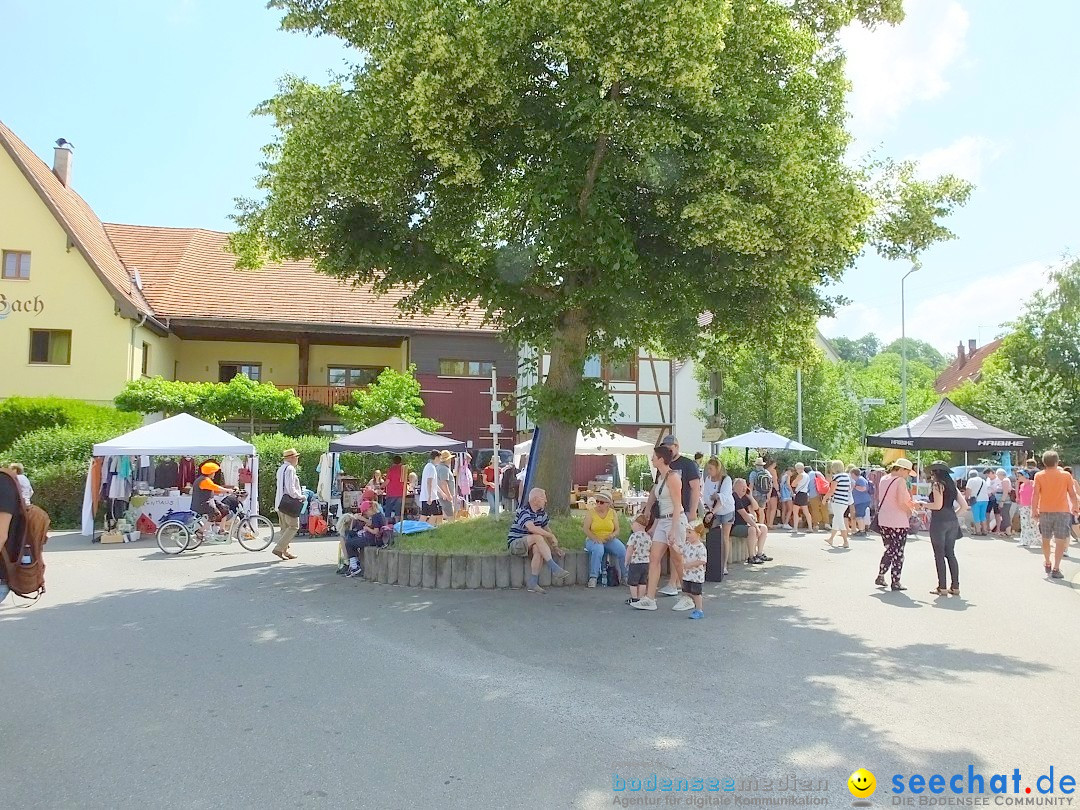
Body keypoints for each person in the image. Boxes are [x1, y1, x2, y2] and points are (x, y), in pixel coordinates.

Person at [633, 445, 684, 611]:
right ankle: (650, 598)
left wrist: (673, 529)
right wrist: (647, 512)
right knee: (654, 558)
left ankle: (689, 595)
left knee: (677, 559)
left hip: (674, 520)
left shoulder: (673, 477)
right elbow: (654, 494)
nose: (652, 459)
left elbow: (677, 505)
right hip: (663, 521)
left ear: (661, 459)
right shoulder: (661, 477)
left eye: (654, 456)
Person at [654, 435, 700, 600]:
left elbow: (695, 488)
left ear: (676, 446)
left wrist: (693, 510)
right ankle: (673, 585)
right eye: (665, 447)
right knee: (674, 551)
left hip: (683, 510)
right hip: (666, 513)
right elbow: (656, 490)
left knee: (678, 551)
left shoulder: (688, 464)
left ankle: (678, 586)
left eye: (669, 447)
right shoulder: (664, 465)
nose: (667, 450)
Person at [506, 488, 571, 593]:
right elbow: (531, 528)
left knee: (538, 549)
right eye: (543, 498)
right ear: (535, 500)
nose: (546, 501)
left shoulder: (542, 514)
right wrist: (550, 535)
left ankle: (533, 582)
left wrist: (555, 547)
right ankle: (554, 568)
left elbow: (546, 529)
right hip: (516, 543)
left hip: (531, 544)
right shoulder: (523, 511)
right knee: (538, 537)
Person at [1031, 450, 1079, 579]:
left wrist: (1034, 510)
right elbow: (1072, 494)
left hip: (1045, 511)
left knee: (1045, 539)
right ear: (1057, 462)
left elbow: (1035, 494)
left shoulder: (1039, 476)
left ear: (1043, 463)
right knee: (1060, 540)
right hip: (1063, 512)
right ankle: (1056, 568)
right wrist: (1075, 507)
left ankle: (1047, 562)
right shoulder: (1066, 475)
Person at [875, 459, 916, 591]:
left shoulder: (884, 479)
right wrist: (910, 511)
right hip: (898, 520)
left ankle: (881, 575)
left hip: (884, 519)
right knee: (898, 552)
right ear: (902, 469)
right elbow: (901, 502)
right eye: (908, 472)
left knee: (889, 549)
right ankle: (895, 581)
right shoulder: (900, 481)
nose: (908, 475)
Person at [927, 461, 967, 596]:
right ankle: (955, 586)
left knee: (939, 554)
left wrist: (923, 505)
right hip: (952, 521)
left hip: (939, 521)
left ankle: (942, 586)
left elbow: (937, 505)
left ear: (935, 473)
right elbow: (964, 506)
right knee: (950, 553)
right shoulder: (952, 486)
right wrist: (953, 515)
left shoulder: (938, 485)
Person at [583, 492, 626, 588]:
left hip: (608, 539)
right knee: (598, 549)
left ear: (608, 504)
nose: (598, 504)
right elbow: (586, 529)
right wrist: (594, 538)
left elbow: (617, 529)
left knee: (622, 550)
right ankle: (593, 577)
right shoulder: (591, 513)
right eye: (597, 501)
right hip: (593, 539)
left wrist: (612, 535)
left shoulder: (612, 513)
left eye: (601, 502)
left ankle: (625, 576)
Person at [702, 457, 734, 577]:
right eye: (708, 469)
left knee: (725, 536)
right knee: (711, 535)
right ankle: (711, 563)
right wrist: (711, 508)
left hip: (726, 510)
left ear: (717, 469)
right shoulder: (708, 479)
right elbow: (707, 496)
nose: (709, 471)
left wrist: (713, 511)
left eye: (711, 469)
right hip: (713, 510)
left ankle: (724, 565)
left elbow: (723, 498)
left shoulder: (726, 480)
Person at [342, 500, 387, 577]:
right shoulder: (379, 515)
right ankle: (355, 561)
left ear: (369, 509)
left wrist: (367, 528)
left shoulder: (376, 517)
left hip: (371, 540)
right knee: (350, 535)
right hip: (371, 538)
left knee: (349, 543)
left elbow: (376, 532)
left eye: (366, 513)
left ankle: (354, 567)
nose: (367, 515)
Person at [272, 449, 303, 560]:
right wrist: (300, 496)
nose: (297, 459)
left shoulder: (281, 469)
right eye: (296, 457)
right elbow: (291, 489)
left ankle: (285, 551)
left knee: (284, 528)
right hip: (288, 503)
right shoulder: (290, 469)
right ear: (291, 458)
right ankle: (279, 548)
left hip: (280, 502)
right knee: (294, 526)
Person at [732, 478, 770, 564]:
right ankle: (751, 556)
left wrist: (750, 496)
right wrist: (756, 527)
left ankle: (759, 553)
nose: (744, 488)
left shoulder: (745, 498)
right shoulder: (734, 497)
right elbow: (744, 515)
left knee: (763, 527)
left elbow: (756, 507)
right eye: (742, 486)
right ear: (736, 487)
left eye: (745, 486)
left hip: (744, 525)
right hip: (734, 526)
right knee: (752, 529)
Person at [190, 461, 234, 533]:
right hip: (201, 504)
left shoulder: (205, 479)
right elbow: (215, 487)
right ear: (210, 472)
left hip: (209, 501)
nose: (214, 474)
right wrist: (227, 490)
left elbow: (213, 490)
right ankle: (200, 531)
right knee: (215, 515)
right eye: (214, 472)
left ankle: (221, 530)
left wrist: (226, 491)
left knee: (224, 509)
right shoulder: (204, 480)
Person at [680, 521, 708, 619]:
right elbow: (680, 551)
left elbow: (702, 560)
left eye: (690, 533)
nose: (687, 535)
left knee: (696, 593)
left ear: (698, 534)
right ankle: (692, 604)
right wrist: (672, 545)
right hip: (687, 574)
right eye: (686, 532)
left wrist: (690, 564)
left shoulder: (700, 547)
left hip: (696, 576)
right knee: (687, 591)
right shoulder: (687, 545)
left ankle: (699, 610)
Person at [823, 460, 853, 548]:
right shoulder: (846, 476)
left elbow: (832, 490)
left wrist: (825, 498)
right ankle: (831, 539)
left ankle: (845, 541)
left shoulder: (836, 477)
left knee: (840, 521)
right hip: (844, 501)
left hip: (837, 501)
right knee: (836, 520)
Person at [624, 516, 652, 606]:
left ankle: (634, 598)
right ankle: (641, 597)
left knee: (633, 582)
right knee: (642, 581)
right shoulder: (648, 536)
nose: (632, 526)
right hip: (646, 562)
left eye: (633, 524)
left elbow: (629, 550)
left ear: (638, 525)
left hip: (635, 562)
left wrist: (626, 560)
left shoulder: (634, 536)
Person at [1016, 469, 1039, 548]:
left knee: (1033, 523)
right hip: (1024, 506)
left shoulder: (1032, 483)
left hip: (1032, 506)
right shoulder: (1022, 485)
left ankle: (1037, 540)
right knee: (1024, 523)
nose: (1018, 478)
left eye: (1019, 476)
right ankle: (1025, 540)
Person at [419, 451, 442, 526]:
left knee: (424, 515)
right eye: (439, 458)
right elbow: (429, 482)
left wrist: (442, 493)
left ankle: (419, 529)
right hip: (430, 496)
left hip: (426, 496)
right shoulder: (431, 468)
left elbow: (433, 484)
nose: (440, 460)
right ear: (436, 457)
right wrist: (430, 496)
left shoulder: (428, 466)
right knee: (437, 514)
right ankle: (430, 528)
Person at [965, 469, 991, 536]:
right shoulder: (983, 480)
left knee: (976, 515)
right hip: (985, 500)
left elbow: (968, 490)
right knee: (983, 515)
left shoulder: (971, 480)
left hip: (976, 500)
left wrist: (966, 498)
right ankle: (985, 530)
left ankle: (978, 531)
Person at [790, 463, 813, 535]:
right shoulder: (807, 475)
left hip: (799, 493)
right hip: (805, 494)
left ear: (799, 468)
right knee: (806, 511)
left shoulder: (800, 475)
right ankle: (810, 527)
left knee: (795, 511)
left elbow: (793, 484)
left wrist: (796, 483)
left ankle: (795, 528)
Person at [849, 467, 872, 537]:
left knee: (859, 516)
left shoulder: (860, 480)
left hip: (862, 501)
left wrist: (854, 487)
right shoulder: (860, 479)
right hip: (861, 501)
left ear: (853, 474)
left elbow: (863, 488)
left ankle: (862, 530)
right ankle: (861, 529)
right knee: (859, 515)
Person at [436, 451, 456, 522]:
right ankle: (452, 529)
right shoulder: (444, 469)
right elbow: (443, 483)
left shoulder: (439, 467)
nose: (451, 460)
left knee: (441, 515)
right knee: (450, 514)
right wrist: (449, 495)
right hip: (445, 496)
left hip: (441, 495)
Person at [384, 456, 406, 520]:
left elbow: (387, 481)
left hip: (391, 493)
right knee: (398, 510)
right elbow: (404, 481)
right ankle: (397, 525)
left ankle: (386, 525)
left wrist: (381, 486)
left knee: (388, 510)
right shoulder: (403, 470)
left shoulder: (391, 469)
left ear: (393, 461)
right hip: (400, 493)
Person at [749, 458, 769, 523]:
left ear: (756, 465)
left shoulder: (753, 473)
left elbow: (751, 485)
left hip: (755, 493)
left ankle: (754, 523)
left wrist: (750, 495)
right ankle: (762, 525)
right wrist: (768, 495)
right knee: (761, 510)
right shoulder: (766, 472)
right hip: (764, 494)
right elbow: (770, 484)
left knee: (751, 508)